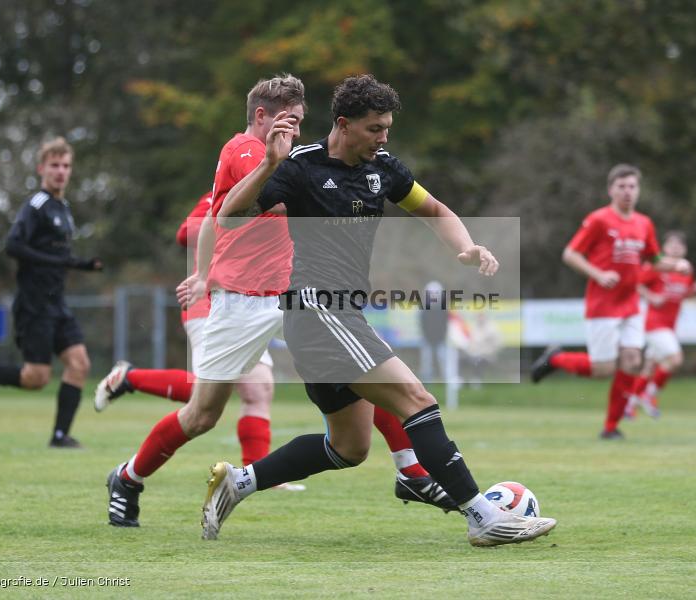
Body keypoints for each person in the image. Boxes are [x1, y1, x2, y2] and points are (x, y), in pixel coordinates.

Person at [208, 74, 557, 547]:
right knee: (417, 399)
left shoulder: (383, 168)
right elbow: (228, 215)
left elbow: (434, 210)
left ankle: (239, 482)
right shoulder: (300, 167)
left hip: (338, 314)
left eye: (387, 127)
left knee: (350, 447)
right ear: (343, 124)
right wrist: (270, 163)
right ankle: (483, 516)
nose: (383, 137)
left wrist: (467, 246)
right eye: (375, 128)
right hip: (316, 309)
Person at [104, 75, 454, 529]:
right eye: (286, 120)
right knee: (202, 414)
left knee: (365, 365)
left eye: (300, 121)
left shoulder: (287, 158)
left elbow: (219, 215)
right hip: (245, 300)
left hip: (298, 293)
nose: (292, 130)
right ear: (261, 116)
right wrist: (207, 276)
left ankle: (410, 468)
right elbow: (225, 214)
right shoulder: (250, 152)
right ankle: (128, 478)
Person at [95, 191, 280, 474]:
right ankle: (129, 379)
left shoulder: (278, 189)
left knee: (259, 387)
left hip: (250, 305)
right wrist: (231, 219)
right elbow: (186, 233)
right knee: (202, 397)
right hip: (209, 302)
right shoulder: (224, 191)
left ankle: (257, 477)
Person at [0, 137, 102, 448]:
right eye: (54, 165)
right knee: (36, 378)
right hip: (34, 304)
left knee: (79, 363)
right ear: (42, 168)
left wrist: (83, 265)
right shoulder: (36, 205)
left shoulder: (63, 208)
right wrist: (59, 261)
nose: (61, 172)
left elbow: (57, 258)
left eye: (66, 166)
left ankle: (59, 436)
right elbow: (13, 245)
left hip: (57, 303)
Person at [530, 164, 691, 440]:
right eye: (622, 186)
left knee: (632, 361)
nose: (627, 192)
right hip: (603, 303)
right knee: (603, 369)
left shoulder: (644, 224)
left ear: (638, 190)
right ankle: (555, 358)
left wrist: (676, 265)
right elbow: (570, 254)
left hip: (630, 303)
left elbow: (653, 261)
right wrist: (599, 273)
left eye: (632, 186)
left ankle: (611, 427)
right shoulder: (599, 220)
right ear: (611, 190)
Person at [625, 231, 696, 419]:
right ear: (664, 247)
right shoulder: (657, 266)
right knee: (675, 359)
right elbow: (635, 284)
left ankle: (629, 406)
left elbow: (682, 294)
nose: (676, 248)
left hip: (669, 326)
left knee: (649, 366)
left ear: (685, 249)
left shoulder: (686, 271)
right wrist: (651, 296)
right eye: (672, 244)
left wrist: (695, 291)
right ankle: (649, 394)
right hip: (653, 324)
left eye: (680, 245)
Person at [418, 281, 449, 381]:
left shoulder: (443, 309)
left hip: (440, 339)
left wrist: (442, 336)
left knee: (443, 359)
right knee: (426, 361)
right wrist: (426, 336)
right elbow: (422, 324)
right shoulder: (424, 309)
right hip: (427, 339)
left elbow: (445, 324)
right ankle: (426, 380)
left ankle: (446, 378)